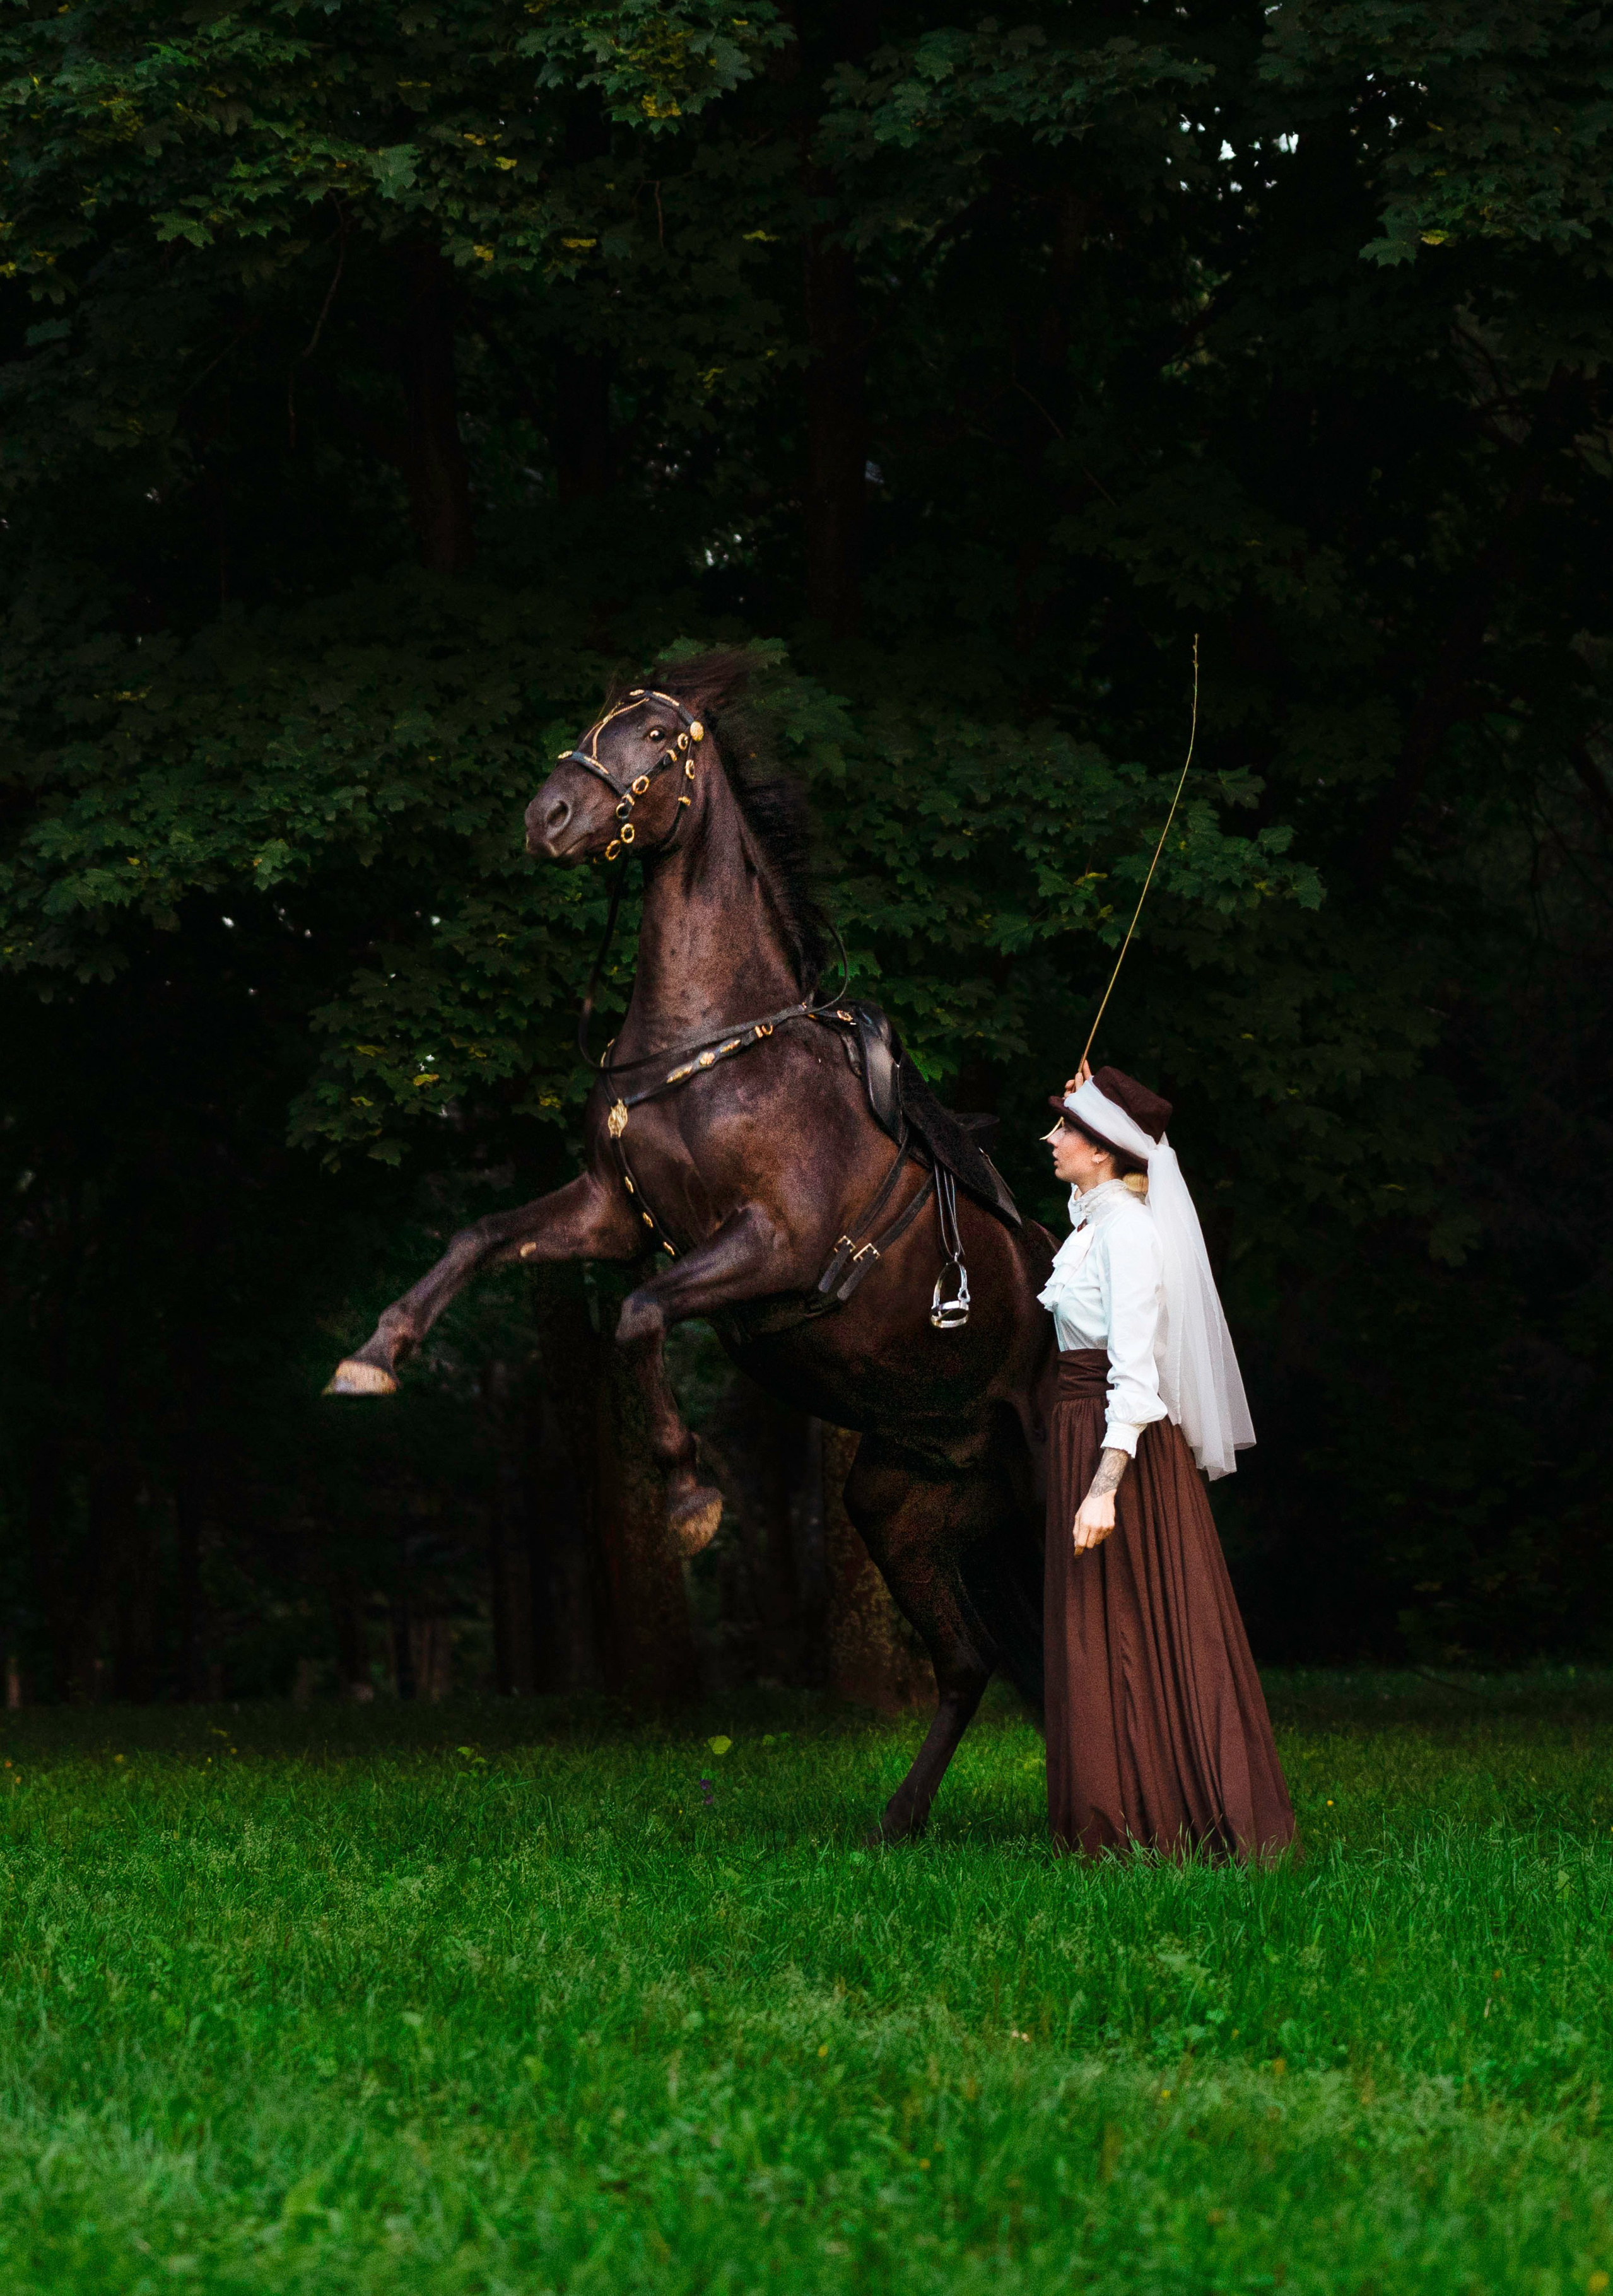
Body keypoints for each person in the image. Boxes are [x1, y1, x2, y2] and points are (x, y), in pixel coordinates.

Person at [1039, 1061, 1294, 1860]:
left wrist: (1103, 1489)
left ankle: (1173, 1815)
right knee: (1100, 1625)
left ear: (1106, 1152)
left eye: (1067, 1129)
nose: (1050, 1139)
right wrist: (1094, 1095)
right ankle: (1119, 1814)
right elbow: (1091, 1228)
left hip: (1121, 1448)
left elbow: (1136, 1374)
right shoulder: (1096, 1223)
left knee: (1135, 1625)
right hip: (1081, 1428)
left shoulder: (1130, 1235)